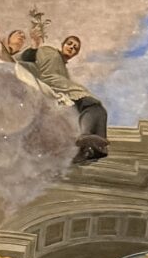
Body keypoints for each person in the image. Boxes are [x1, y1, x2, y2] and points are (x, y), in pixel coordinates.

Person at [14, 21, 109, 160]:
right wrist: (34, 46)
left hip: (66, 95)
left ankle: (90, 146)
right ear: (63, 44)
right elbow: (25, 59)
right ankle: (86, 139)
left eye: (75, 48)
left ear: (75, 54)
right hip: (54, 90)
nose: (72, 47)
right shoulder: (49, 51)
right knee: (92, 104)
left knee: (99, 110)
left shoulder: (64, 70)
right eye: (70, 43)